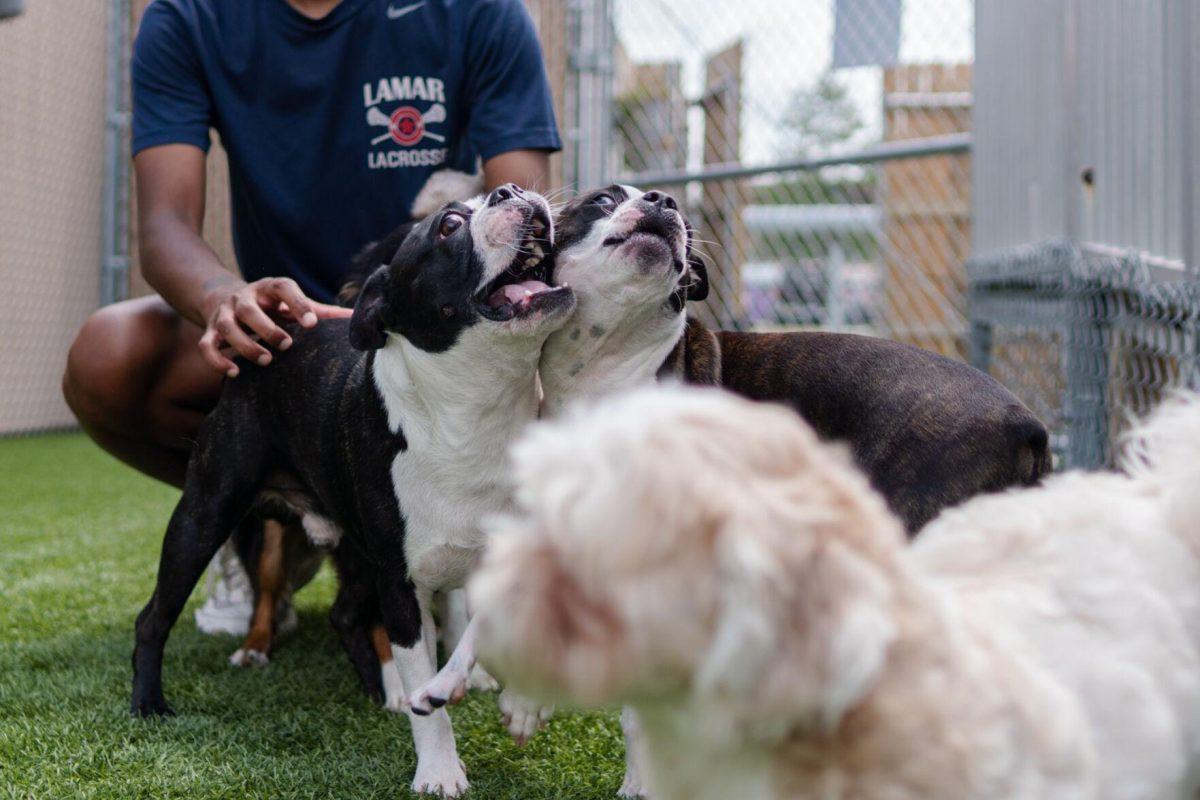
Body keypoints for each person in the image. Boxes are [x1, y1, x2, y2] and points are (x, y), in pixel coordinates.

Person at [61, 0, 561, 634]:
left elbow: (519, 221)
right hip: (288, 341)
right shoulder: (190, 16)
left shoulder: (478, 11)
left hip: (421, 332)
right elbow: (163, 226)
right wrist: (223, 296)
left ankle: (450, 545)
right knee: (109, 355)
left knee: (557, 341)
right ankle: (256, 525)